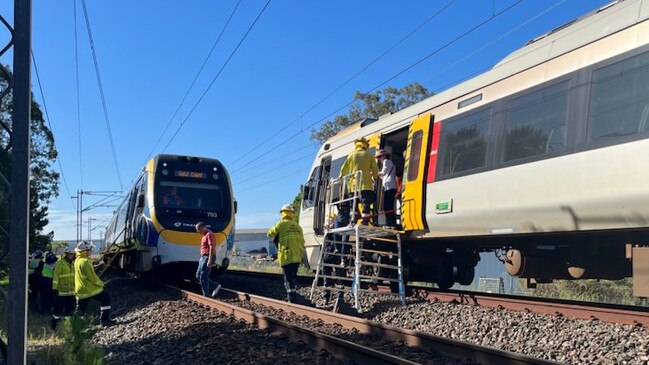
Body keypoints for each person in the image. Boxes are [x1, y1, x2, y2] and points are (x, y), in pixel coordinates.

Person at [267, 204, 305, 303]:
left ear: (282, 213)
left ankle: (292, 301)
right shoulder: (298, 226)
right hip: (297, 256)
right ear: (292, 213)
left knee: (288, 279)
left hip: (286, 256)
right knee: (293, 278)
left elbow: (270, 233)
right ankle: (293, 297)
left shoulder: (281, 224)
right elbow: (302, 242)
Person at [74, 242, 115, 327]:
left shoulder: (77, 260)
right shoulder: (85, 261)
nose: (90, 251)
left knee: (81, 309)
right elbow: (92, 277)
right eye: (89, 250)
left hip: (80, 289)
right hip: (89, 289)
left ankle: (77, 326)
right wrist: (101, 284)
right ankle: (105, 320)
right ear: (84, 251)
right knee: (105, 298)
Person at [339, 137, 379, 225]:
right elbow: (375, 169)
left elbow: (344, 167)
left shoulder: (351, 155)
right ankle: (365, 221)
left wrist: (340, 176)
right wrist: (376, 177)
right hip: (366, 184)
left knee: (353, 205)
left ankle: (353, 220)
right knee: (366, 204)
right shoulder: (369, 155)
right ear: (365, 144)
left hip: (353, 185)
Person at [52, 245, 76, 330]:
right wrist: (54, 289)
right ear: (67, 254)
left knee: (69, 312)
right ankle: (54, 325)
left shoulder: (73, 264)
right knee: (57, 312)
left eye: (73, 254)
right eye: (71, 254)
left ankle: (67, 328)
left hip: (71, 293)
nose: (72, 255)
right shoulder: (60, 264)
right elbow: (56, 277)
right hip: (61, 293)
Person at [195, 222, 221, 297]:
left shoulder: (209, 234)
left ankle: (206, 294)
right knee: (198, 275)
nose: (197, 231)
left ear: (202, 227)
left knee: (203, 276)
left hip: (208, 257)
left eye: (198, 229)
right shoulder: (205, 235)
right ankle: (215, 286)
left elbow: (211, 247)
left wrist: (210, 259)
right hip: (203, 257)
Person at [376, 149, 398, 228]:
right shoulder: (391, 163)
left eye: (379, 157)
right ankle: (392, 224)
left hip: (389, 187)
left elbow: (383, 172)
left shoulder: (386, 161)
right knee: (390, 206)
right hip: (391, 186)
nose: (379, 159)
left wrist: (376, 172)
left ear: (384, 156)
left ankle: (389, 224)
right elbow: (384, 176)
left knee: (387, 206)